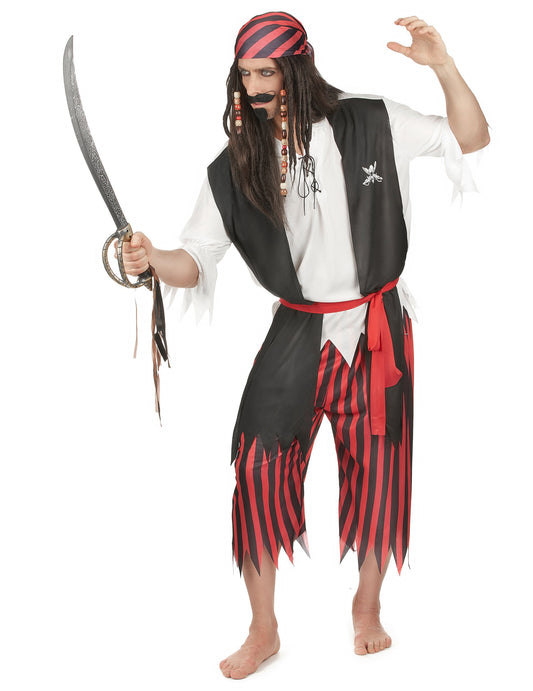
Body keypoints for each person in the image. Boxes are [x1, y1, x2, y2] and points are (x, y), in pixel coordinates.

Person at [121, 11, 490, 679]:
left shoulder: (372, 120)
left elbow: (471, 136)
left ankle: (367, 606)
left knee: (379, 467)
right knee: (258, 469)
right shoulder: (235, 166)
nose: (256, 87)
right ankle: (262, 628)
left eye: (267, 72)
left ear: (298, 66)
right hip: (297, 327)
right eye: (246, 74)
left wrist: (442, 66)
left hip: (377, 326)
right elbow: (196, 260)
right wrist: (150, 260)